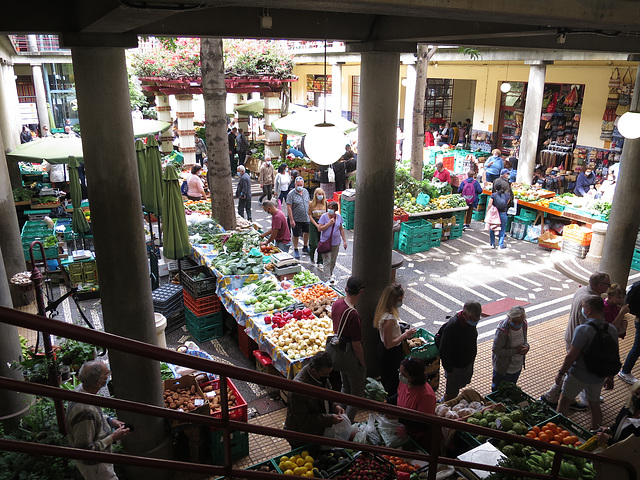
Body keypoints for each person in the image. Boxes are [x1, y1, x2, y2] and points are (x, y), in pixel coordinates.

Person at [540, 271, 612, 409]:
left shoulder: (582, 290)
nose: (609, 287)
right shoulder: (590, 301)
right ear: (599, 285)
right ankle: (551, 396)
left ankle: (575, 397)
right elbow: (588, 326)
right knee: (571, 371)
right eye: (607, 284)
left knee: (573, 370)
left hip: (571, 334)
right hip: (578, 342)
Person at [556, 296, 619, 430]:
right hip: (598, 376)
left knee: (564, 402)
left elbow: (571, 356)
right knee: (594, 405)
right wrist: (610, 377)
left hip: (578, 375)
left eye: (583, 307)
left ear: (589, 310)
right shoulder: (611, 329)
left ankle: (557, 429)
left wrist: (561, 373)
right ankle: (595, 432)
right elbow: (614, 356)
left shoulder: (583, 329)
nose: (583, 310)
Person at [67, 360, 130, 480]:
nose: (109, 375)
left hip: (99, 461)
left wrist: (110, 420)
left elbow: (95, 415)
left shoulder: (81, 390)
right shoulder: (85, 412)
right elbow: (86, 450)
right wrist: (113, 437)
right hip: (96, 465)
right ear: (99, 382)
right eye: (107, 374)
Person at [284, 351, 345, 445]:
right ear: (313, 370)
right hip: (302, 436)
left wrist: (334, 406)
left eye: (329, 373)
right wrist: (330, 419)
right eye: (325, 374)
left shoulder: (320, 376)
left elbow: (328, 393)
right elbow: (303, 419)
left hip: (317, 430)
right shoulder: (299, 389)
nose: (327, 376)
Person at [330, 276, 367, 422]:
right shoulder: (354, 315)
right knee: (356, 395)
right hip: (351, 357)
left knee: (345, 388)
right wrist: (362, 363)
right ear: (361, 292)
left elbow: (335, 328)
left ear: (346, 289)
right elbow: (356, 345)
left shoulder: (337, 304)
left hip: (340, 355)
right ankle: (346, 422)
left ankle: (337, 418)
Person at [373, 283, 417, 399]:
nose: (401, 302)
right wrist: (405, 335)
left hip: (384, 351)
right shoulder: (390, 319)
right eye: (400, 300)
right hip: (390, 354)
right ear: (392, 300)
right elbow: (389, 344)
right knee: (391, 383)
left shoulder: (382, 311)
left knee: (387, 379)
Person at [439, 301, 482, 401]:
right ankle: (444, 402)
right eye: (473, 319)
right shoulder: (452, 327)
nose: (475, 322)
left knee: (463, 382)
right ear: (464, 314)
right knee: (451, 392)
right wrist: (448, 369)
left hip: (467, 363)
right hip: (455, 367)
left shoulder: (469, 323)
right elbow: (444, 350)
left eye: (477, 319)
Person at [394, 357, 437, 445]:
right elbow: (400, 394)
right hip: (401, 427)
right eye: (400, 372)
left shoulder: (426, 396)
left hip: (416, 436)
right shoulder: (405, 382)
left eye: (404, 375)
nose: (400, 376)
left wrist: (398, 417)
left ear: (414, 377)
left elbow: (424, 423)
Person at [492, 306, 530, 391]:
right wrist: (515, 351)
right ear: (509, 318)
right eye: (514, 321)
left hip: (517, 367)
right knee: (498, 391)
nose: (517, 324)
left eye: (519, 322)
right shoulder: (502, 330)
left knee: (510, 390)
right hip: (504, 369)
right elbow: (496, 350)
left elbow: (525, 341)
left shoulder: (523, 325)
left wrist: (527, 347)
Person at [317, 201, 347, 283]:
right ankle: (327, 278)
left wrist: (344, 241)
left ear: (335, 210)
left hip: (336, 242)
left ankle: (330, 274)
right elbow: (320, 228)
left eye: (332, 209)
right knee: (327, 261)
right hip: (325, 242)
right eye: (328, 208)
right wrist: (329, 223)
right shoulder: (323, 217)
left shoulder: (339, 217)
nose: (330, 210)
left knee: (333, 261)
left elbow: (341, 229)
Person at [618, 281, 640, 384]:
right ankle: (625, 371)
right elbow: (631, 304)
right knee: (637, 348)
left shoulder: (637, 285)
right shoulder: (638, 287)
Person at [286, 177, 311, 260]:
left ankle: (305, 246)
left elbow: (308, 203)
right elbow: (289, 207)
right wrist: (291, 220)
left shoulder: (306, 192)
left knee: (306, 232)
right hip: (296, 218)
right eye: (298, 185)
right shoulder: (291, 194)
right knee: (296, 234)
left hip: (306, 217)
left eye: (301, 185)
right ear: (295, 184)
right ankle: (296, 248)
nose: (300, 186)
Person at [485, 178, 510, 249]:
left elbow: (489, 204)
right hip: (503, 213)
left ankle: (492, 244)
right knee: (502, 229)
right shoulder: (507, 195)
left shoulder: (493, 195)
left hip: (494, 214)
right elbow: (506, 204)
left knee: (492, 228)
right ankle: (500, 245)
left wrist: (487, 212)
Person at [308, 188, 327, 265]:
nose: (321, 196)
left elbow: (327, 214)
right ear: (315, 195)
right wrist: (316, 225)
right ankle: (311, 257)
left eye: (322, 194)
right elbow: (310, 215)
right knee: (313, 243)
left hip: (323, 224)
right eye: (319, 194)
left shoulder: (325, 203)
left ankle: (320, 261)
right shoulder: (311, 204)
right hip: (314, 224)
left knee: (321, 243)